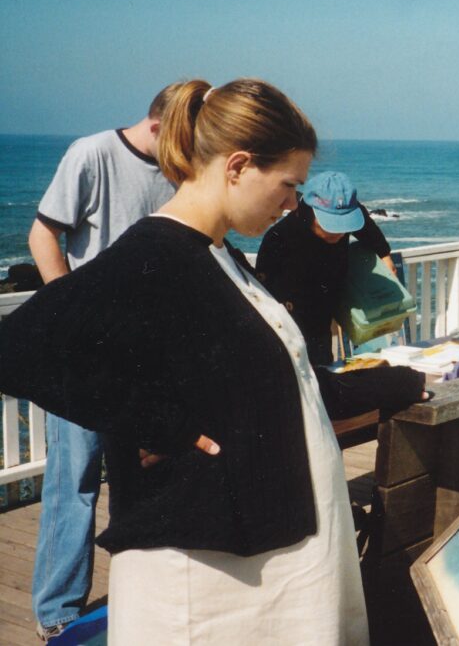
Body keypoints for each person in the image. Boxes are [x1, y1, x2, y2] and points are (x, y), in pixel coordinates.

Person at [0, 78, 425, 644]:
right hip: (204, 582)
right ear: (239, 166)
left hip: (258, 557)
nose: (291, 204)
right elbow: (19, 347)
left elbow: (286, 383)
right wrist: (156, 422)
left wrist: (400, 383)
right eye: (289, 185)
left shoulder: (220, 256)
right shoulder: (156, 254)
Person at [27, 83, 180, 642]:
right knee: (76, 478)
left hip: (145, 351)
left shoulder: (179, 168)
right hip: (85, 352)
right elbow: (43, 234)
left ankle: (140, 594)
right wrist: (71, 311)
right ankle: (58, 612)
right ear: (158, 124)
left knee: (143, 473)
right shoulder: (92, 153)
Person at [257, 171, 396, 365]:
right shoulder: (278, 240)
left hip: (325, 316)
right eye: (332, 225)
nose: (340, 233)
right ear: (309, 211)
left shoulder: (347, 216)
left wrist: (385, 255)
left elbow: (366, 227)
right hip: (291, 323)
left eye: (345, 225)